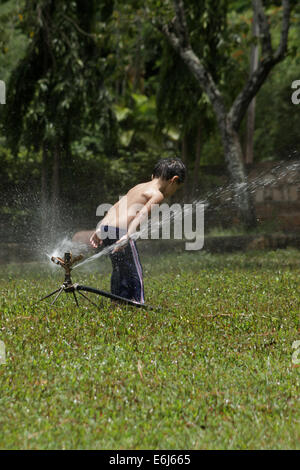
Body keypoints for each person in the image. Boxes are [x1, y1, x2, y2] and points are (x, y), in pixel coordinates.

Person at [90, 158, 186, 304]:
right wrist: (128, 235)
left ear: (153, 176)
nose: (173, 192)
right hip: (122, 231)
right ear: (174, 180)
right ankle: (138, 303)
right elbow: (141, 215)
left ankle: (118, 301)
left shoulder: (138, 187)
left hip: (107, 228)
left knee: (119, 268)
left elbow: (115, 207)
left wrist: (100, 228)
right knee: (134, 268)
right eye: (176, 188)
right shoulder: (157, 194)